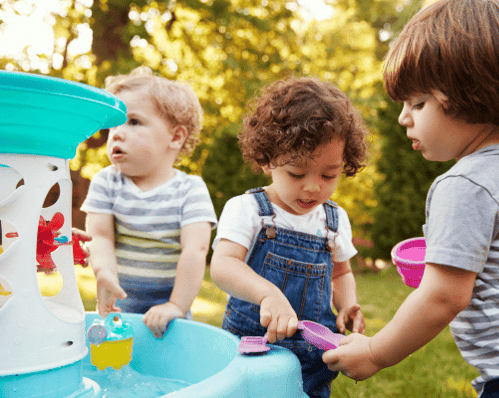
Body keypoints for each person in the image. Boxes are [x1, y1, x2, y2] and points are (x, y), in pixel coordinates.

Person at [322, 0, 499, 396]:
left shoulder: (463, 183)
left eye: (418, 103)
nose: (404, 117)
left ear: (473, 95)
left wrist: (375, 353)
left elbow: (442, 297)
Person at [210, 76, 367, 398]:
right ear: (267, 160)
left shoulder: (334, 220)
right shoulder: (248, 209)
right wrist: (267, 294)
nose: (313, 187)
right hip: (252, 351)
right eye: (296, 173)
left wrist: (348, 305)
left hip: (312, 357)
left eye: (329, 175)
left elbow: (341, 272)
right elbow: (224, 266)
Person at [81, 66, 217, 338]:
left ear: (176, 137)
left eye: (133, 122)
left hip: (169, 316)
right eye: (114, 124)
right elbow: (100, 236)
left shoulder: (189, 189)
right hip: (119, 306)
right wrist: (104, 272)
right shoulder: (107, 182)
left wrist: (176, 305)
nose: (117, 133)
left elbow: (195, 249)